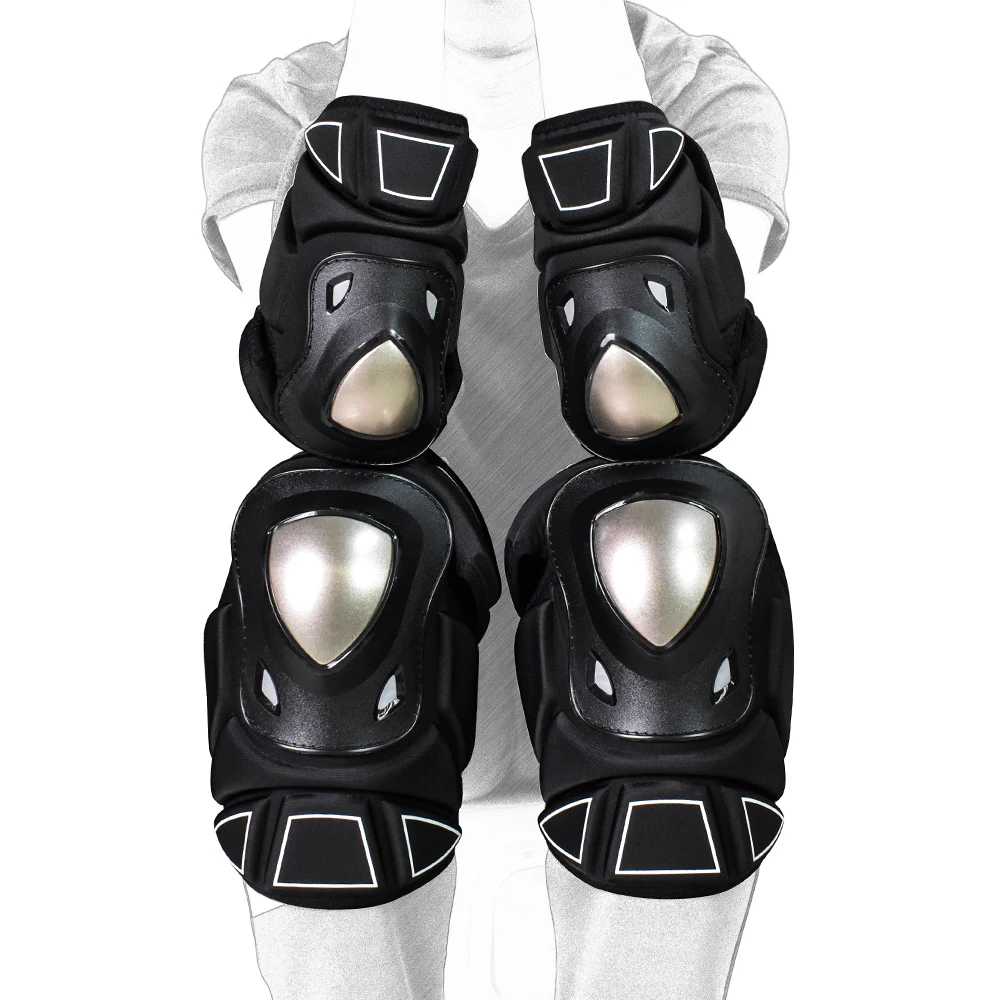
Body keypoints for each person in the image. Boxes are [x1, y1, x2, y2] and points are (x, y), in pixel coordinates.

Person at [201, 3, 791, 997]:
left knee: (666, 526)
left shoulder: (699, 96)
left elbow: (654, 380)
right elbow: (355, 381)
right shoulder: (284, 111)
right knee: (328, 537)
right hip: (387, 697)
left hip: (621, 686)